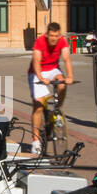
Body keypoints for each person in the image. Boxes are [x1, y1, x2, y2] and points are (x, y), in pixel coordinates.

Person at [29, 21, 74, 155]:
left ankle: (56, 111)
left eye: (56, 36)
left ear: (59, 35)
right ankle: (35, 140)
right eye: (51, 35)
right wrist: (41, 78)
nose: (54, 38)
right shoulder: (40, 42)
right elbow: (36, 61)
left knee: (62, 83)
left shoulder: (62, 42)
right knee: (38, 106)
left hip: (53, 69)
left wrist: (70, 76)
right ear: (47, 34)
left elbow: (66, 59)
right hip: (37, 72)